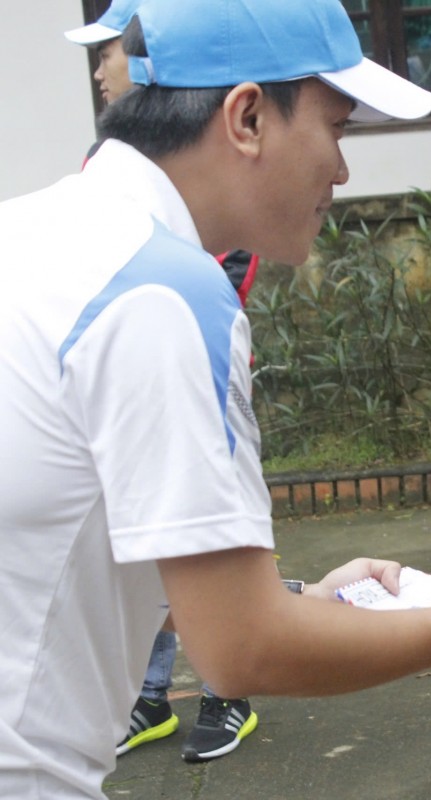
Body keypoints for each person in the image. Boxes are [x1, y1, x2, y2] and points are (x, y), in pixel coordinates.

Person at [0, 1, 431, 797]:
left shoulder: (36, 230)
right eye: (339, 128)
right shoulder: (165, 292)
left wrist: (300, 600)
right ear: (247, 116)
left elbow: (82, 533)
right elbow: (240, 649)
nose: (342, 172)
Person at [66, 2, 264, 764]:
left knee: (204, 532)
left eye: (109, 51)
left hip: (196, 370)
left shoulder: (191, 285)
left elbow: (226, 268)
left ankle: (225, 693)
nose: (99, 68)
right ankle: (150, 696)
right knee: (137, 532)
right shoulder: (102, 164)